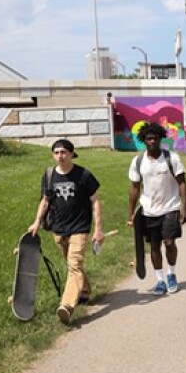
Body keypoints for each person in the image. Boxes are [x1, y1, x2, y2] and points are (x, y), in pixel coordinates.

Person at [28, 138, 105, 325]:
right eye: (56, 153)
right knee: (72, 264)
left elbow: (95, 201)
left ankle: (67, 305)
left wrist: (98, 229)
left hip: (79, 227)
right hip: (59, 228)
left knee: (74, 264)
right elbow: (45, 200)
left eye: (63, 152)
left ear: (71, 153)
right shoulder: (49, 175)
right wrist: (36, 222)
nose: (60, 156)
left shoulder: (83, 175)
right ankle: (84, 291)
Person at [127, 122, 186, 296]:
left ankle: (171, 274)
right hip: (148, 210)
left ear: (161, 138)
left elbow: (182, 183)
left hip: (171, 207)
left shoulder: (172, 158)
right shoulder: (138, 161)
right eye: (149, 138)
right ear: (144, 141)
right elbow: (134, 188)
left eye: (155, 137)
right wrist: (131, 213)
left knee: (169, 242)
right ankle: (160, 280)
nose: (152, 140)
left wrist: (184, 208)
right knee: (154, 246)